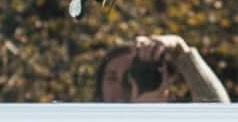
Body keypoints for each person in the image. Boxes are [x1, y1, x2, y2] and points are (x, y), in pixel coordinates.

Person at [93, 33, 229, 105]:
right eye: (112, 77)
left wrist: (182, 54)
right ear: (100, 84)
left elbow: (220, 119)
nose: (122, 84)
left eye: (132, 74)